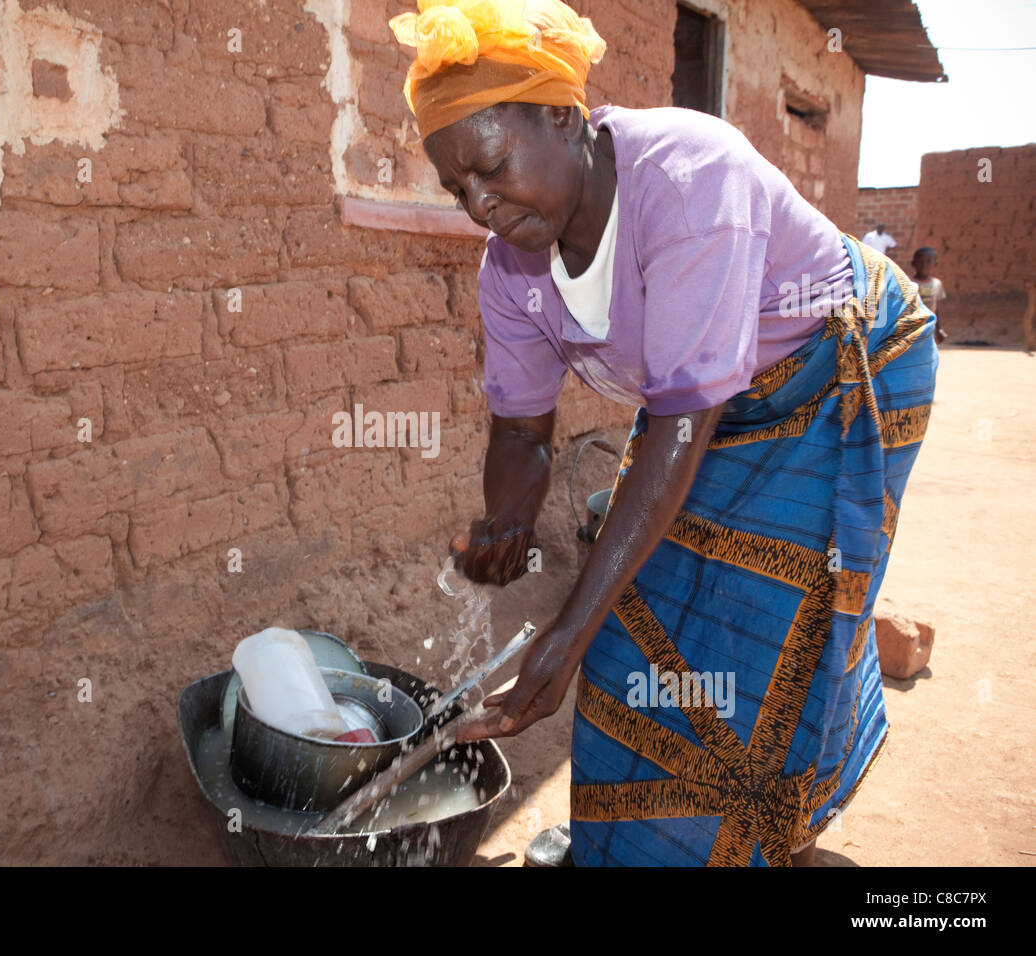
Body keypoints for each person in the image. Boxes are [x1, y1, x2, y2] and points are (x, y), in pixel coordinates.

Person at [388, 0, 939, 866]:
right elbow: (524, 434)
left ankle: (763, 838)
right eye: (458, 190)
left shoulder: (688, 180)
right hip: (709, 408)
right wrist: (507, 525)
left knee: (765, 623)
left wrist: (561, 638)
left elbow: (678, 426)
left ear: (561, 117)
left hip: (839, 370)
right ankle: (631, 849)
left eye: (490, 168)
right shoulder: (513, 273)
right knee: (636, 635)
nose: (479, 206)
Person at [911, 247, 947, 344]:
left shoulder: (937, 284)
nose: (924, 265)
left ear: (935, 264)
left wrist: (939, 328)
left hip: (929, 324)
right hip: (912, 325)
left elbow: (936, 307)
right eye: (920, 261)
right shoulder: (908, 283)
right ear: (913, 263)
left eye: (928, 261)